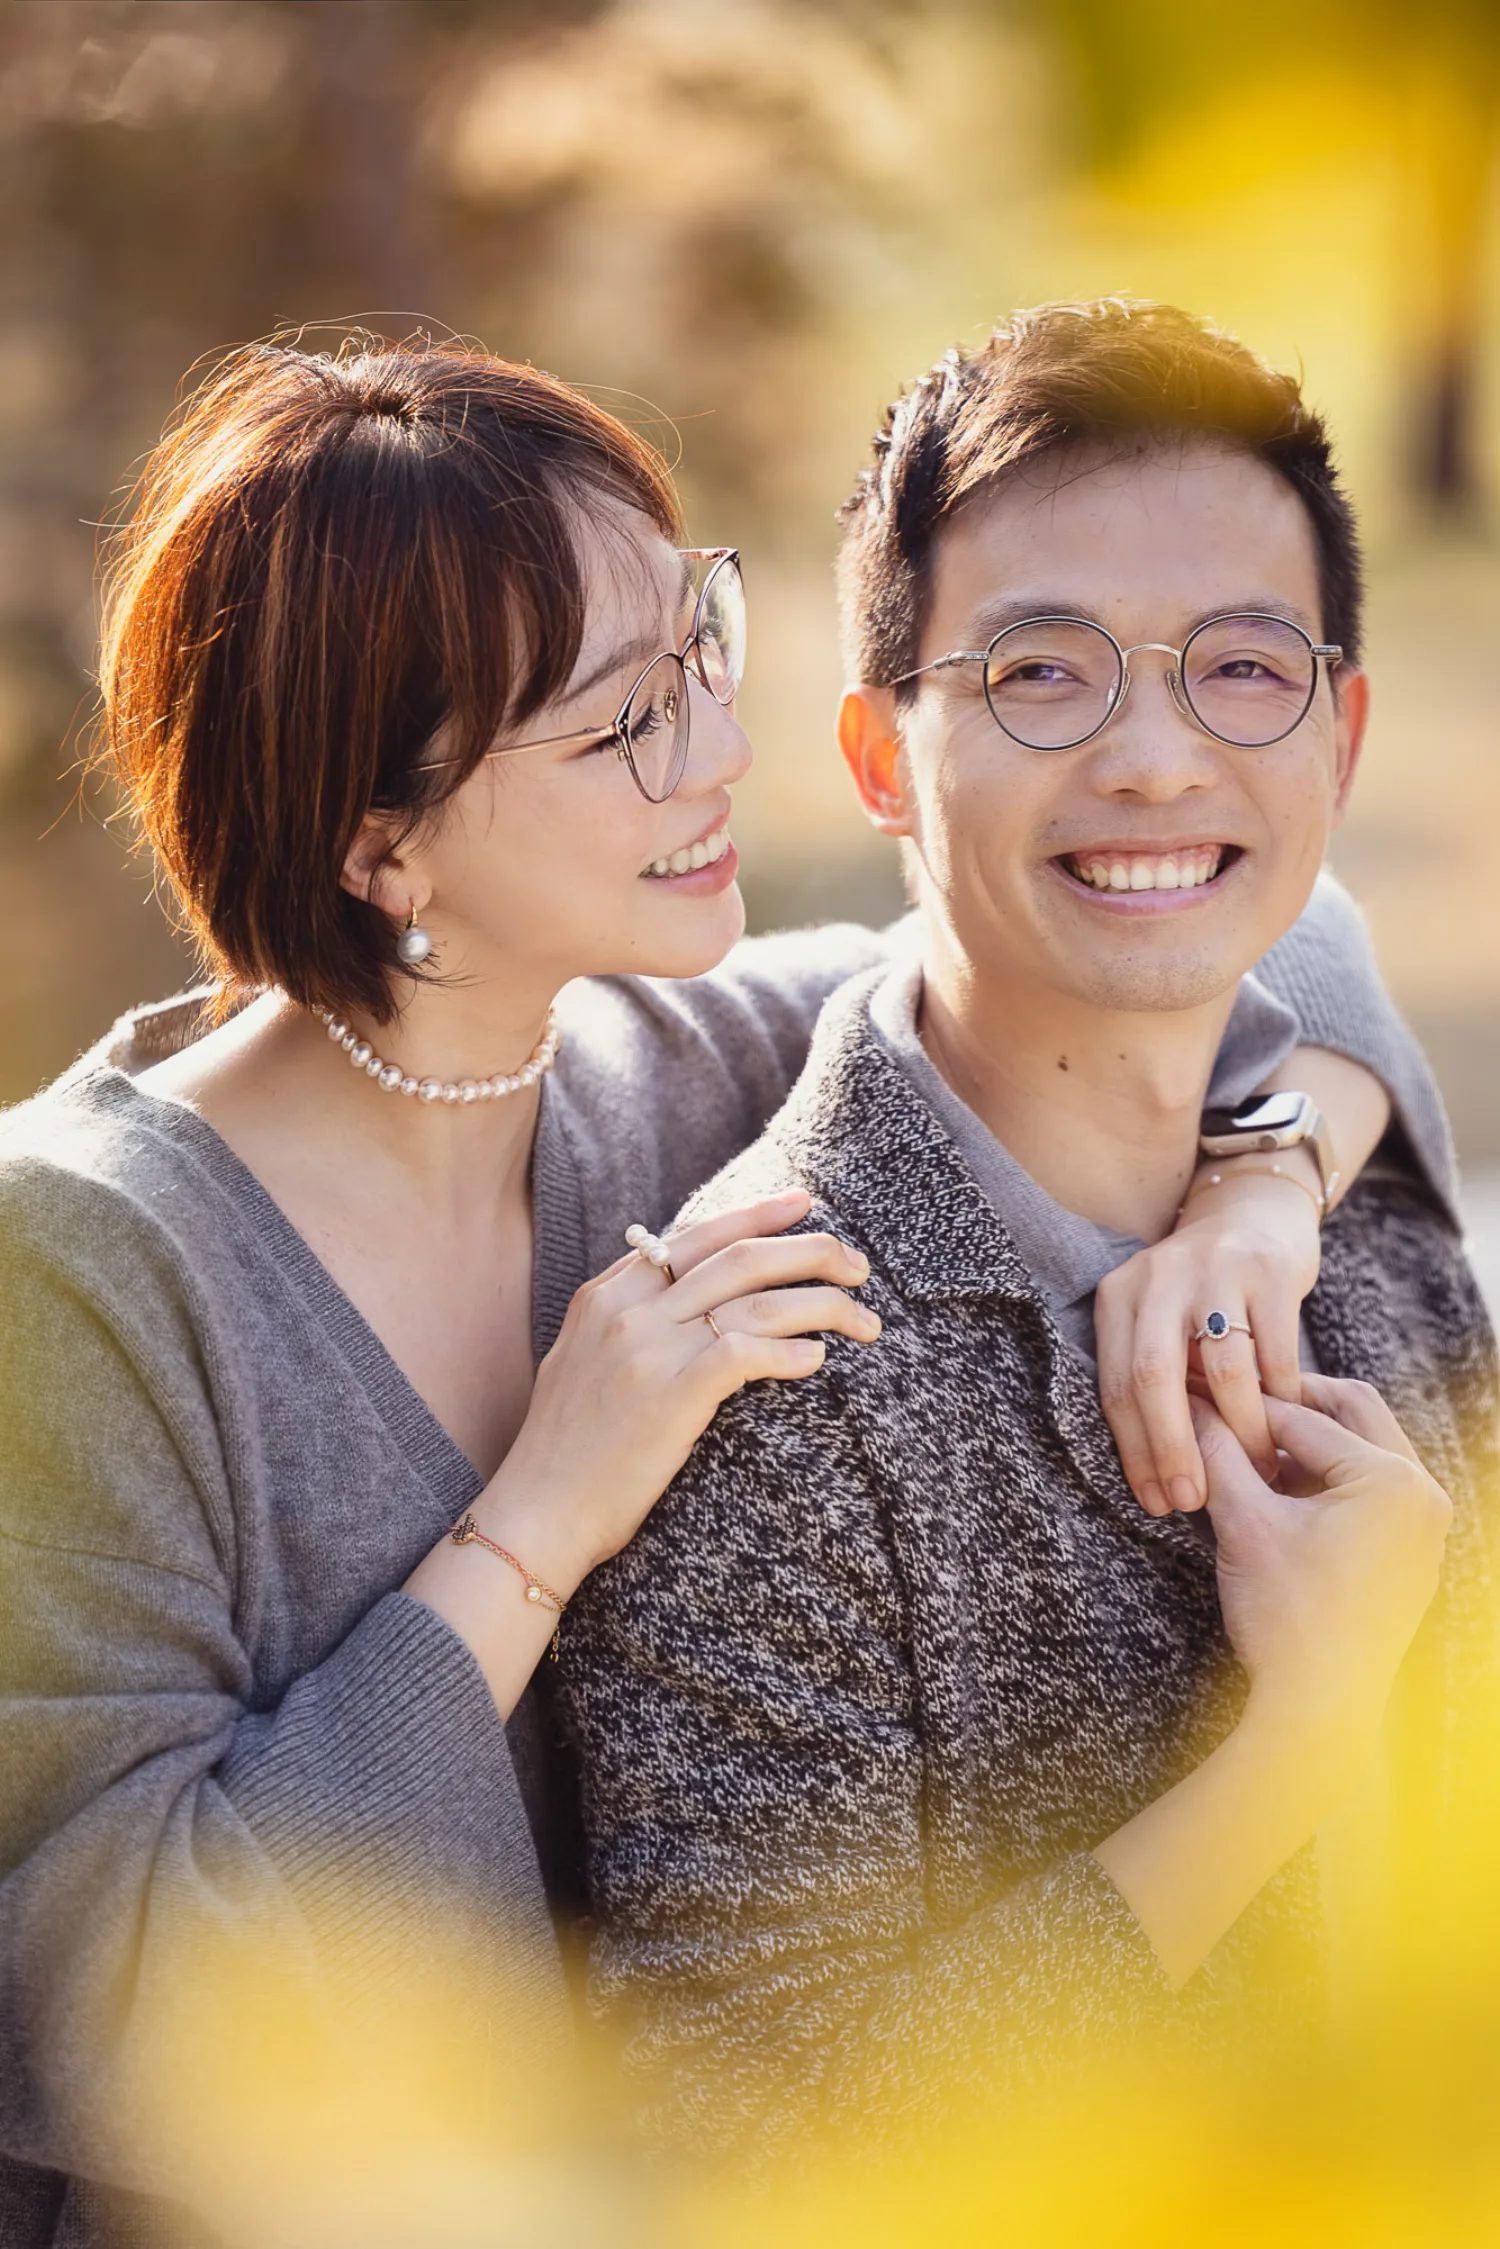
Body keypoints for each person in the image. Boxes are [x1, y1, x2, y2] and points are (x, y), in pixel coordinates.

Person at [0, 333, 1452, 2246]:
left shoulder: (676, 1047)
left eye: (699, 646)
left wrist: (1265, 1183)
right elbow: (107, 2006)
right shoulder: (83, 1267)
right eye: (622, 727)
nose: (717, 750)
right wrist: (538, 1521)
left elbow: (1233, 901)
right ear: (382, 843)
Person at [556, 300, 1500, 2159]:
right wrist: (1297, 1747)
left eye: (1242, 669)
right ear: (885, 757)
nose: (1156, 763)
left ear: (1340, 735)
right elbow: (757, 2140)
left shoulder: (1370, 1242)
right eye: (1044, 676)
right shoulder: (755, 1369)